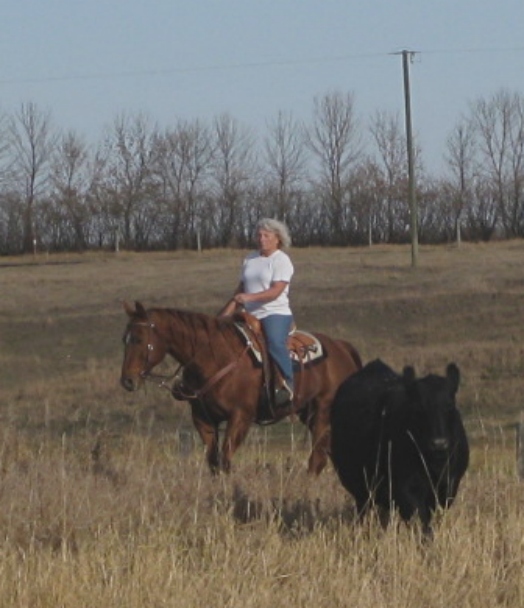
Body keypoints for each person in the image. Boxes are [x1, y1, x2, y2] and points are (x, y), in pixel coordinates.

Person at [219, 218, 295, 407]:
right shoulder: (250, 258)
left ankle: (288, 383)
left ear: (277, 239)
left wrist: (249, 299)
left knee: (275, 343)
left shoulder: (281, 260)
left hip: (274, 312)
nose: (261, 239)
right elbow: (241, 288)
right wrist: (226, 313)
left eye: (266, 236)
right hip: (248, 314)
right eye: (259, 235)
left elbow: (276, 291)